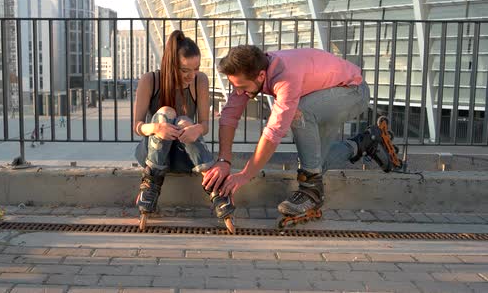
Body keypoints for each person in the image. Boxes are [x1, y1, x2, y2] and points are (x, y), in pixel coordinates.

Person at [202, 45, 400, 226]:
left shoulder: (286, 77)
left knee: (300, 112)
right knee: (315, 162)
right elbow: (229, 116)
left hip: (352, 92)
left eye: (242, 87)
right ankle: (367, 142)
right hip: (325, 94)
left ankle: (311, 191)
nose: (238, 91)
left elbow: (273, 133)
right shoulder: (251, 71)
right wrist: (223, 160)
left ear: (261, 76)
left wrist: (245, 174)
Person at [133, 30, 235, 232]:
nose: (192, 75)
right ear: (171, 65)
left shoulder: (200, 81)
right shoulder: (150, 80)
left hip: (185, 155)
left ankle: (214, 187)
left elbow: (204, 124)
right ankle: (151, 182)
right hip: (153, 154)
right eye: (185, 70)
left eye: (196, 68)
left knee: (185, 121)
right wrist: (156, 127)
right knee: (166, 112)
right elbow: (137, 127)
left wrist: (197, 128)